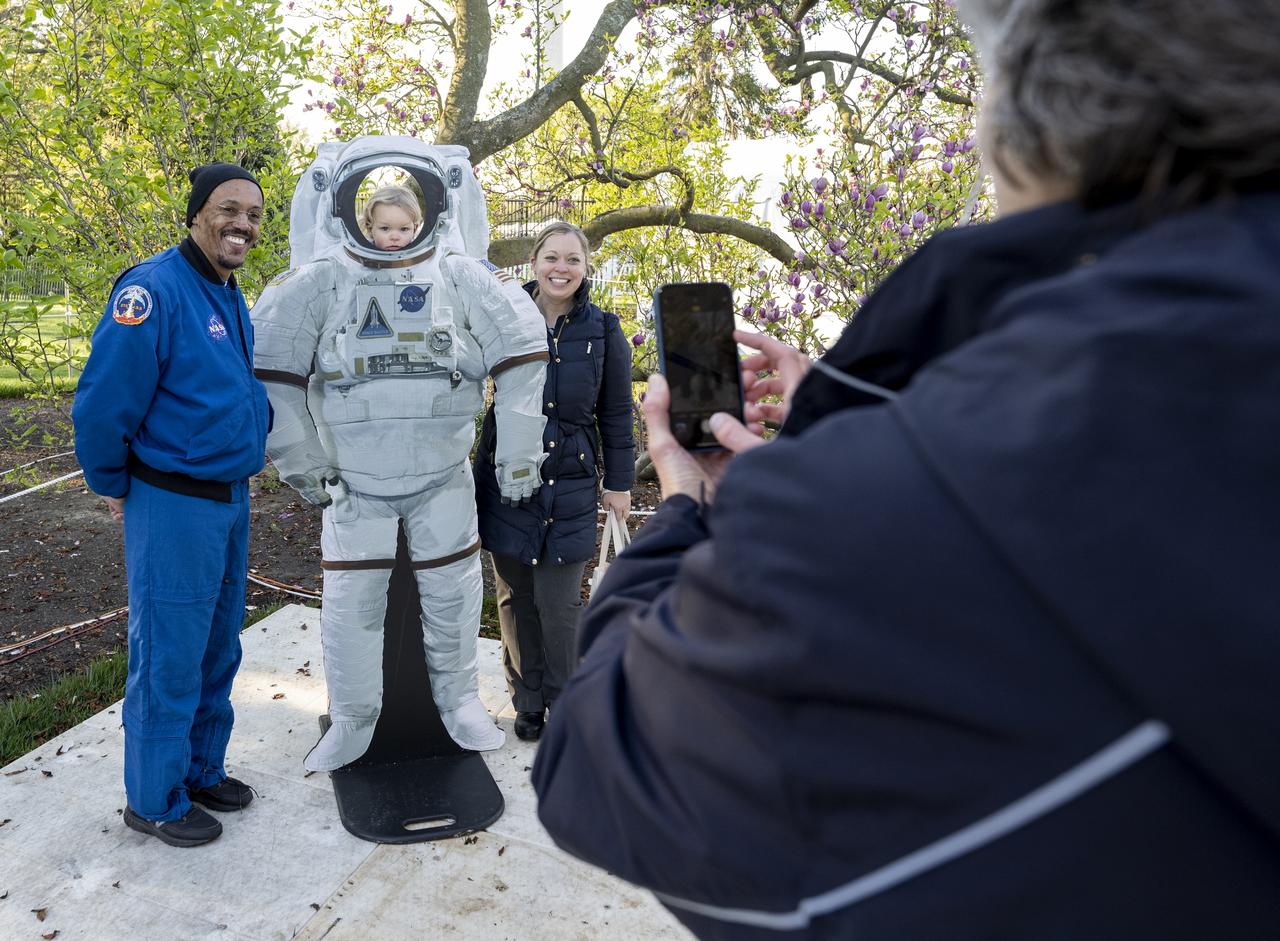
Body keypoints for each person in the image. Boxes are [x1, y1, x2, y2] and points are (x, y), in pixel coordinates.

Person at [530, 0, 1280, 937]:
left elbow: (604, 769)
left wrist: (690, 507)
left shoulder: (868, 514)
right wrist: (866, 419)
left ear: (1021, 114)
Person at [251, 136, 549, 770]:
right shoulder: (325, 280)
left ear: (431, 217)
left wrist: (517, 457)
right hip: (353, 480)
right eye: (382, 226)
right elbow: (274, 374)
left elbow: (523, 357)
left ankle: (460, 701)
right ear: (353, 218)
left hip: (442, 474)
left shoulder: (458, 275)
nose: (393, 237)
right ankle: (354, 719)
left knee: (454, 593)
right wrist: (304, 465)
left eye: (404, 225)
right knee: (352, 605)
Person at [72, 163, 271, 848]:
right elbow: (103, 402)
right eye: (228, 208)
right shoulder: (152, 290)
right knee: (169, 654)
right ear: (195, 214)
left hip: (229, 499)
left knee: (218, 644)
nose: (241, 223)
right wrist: (111, 481)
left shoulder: (228, 292)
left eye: (252, 213)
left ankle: (199, 767)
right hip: (174, 504)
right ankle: (154, 797)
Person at [474, 221, 636, 742]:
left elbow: (615, 413)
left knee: (560, 601)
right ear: (534, 262)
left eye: (572, 260)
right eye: (551, 258)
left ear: (585, 269)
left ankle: (564, 699)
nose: (560, 269)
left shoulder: (604, 330)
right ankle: (527, 699)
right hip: (508, 475)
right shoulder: (504, 317)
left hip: (570, 479)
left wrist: (621, 482)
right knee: (514, 595)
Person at [361, 185, 421, 251]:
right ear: (370, 229)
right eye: (385, 228)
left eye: (404, 229)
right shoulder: (362, 255)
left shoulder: (420, 254)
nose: (394, 237)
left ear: (414, 230)